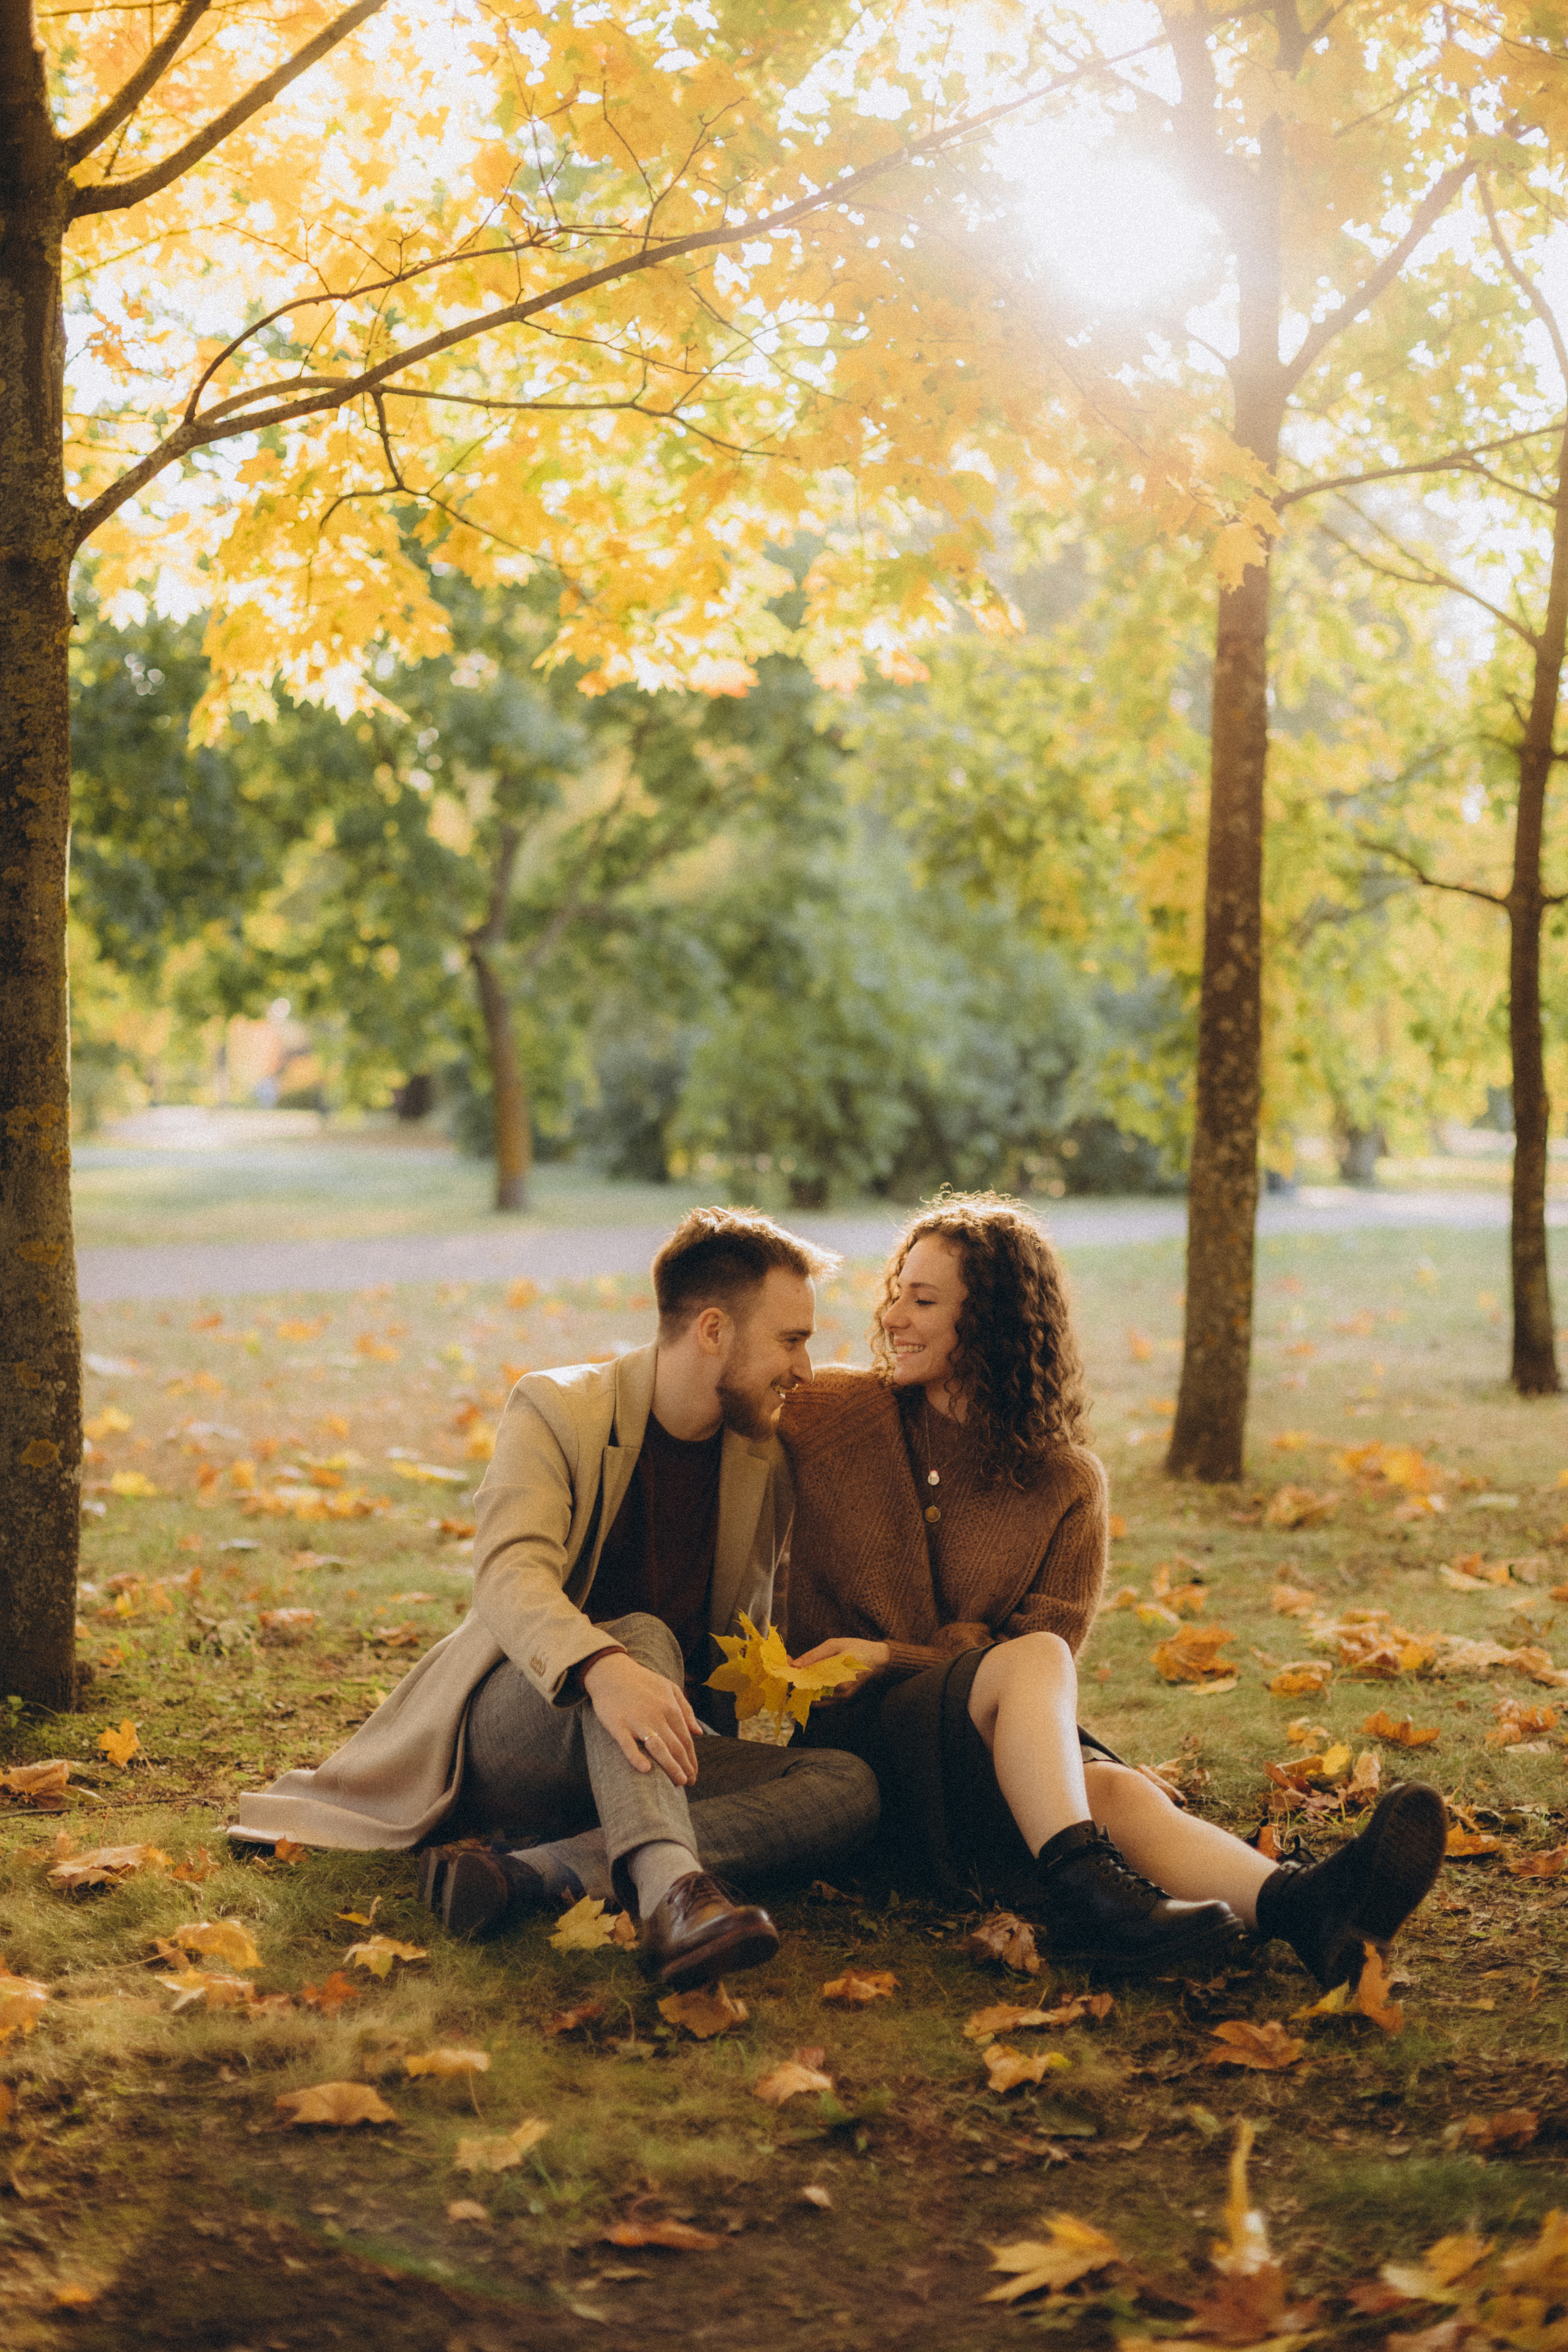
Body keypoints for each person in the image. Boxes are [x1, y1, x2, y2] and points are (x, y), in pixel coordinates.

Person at [780, 1192, 1446, 1984]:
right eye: (897, 1291)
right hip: (848, 1746)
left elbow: (1035, 1677)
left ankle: (1305, 1911)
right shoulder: (834, 1409)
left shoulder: (1063, 1483)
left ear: (990, 1320)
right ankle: (1093, 1896)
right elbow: (708, 1382)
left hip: (965, 1758)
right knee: (1033, 1667)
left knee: (1113, 1790)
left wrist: (891, 1655)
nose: (893, 1315)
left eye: (923, 1300)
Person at [230, 1209, 880, 1992]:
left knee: (846, 1785)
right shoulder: (557, 1408)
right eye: (791, 1339)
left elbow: (746, 1626)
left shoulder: (759, 1460)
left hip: (654, 1741)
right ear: (713, 1330)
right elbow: (510, 1576)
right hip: (522, 1720)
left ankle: (534, 1873)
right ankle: (673, 1892)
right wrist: (604, 1666)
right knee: (638, 1635)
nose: (805, 1368)